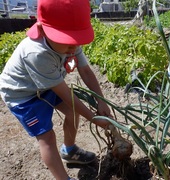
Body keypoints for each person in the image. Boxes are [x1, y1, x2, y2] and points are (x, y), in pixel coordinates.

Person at [0, 0, 113, 179]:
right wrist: (94, 118)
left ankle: (69, 150)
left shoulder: (71, 43)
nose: (74, 47)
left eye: (76, 40)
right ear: (43, 29)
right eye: (67, 41)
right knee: (47, 139)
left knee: (72, 113)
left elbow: (86, 71)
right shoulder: (36, 53)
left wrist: (101, 100)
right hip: (22, 94)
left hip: (46, 84)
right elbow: (66, 94)